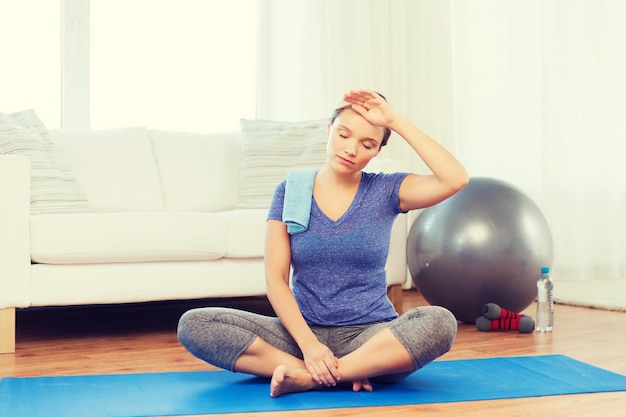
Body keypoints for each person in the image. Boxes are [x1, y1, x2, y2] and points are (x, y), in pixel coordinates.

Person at [177, 89, 469, 397]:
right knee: (195, 324)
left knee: (440, 322)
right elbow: (276, 281)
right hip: (300, 334)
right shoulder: (291, 191)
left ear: (376, 152)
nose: (351, 149)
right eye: (343, 134)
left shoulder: (387, 190)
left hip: (370, 337)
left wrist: (394, 120)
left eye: (367, 144)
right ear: (329, 130)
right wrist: (310, 346)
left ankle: (313, 378)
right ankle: (338, 371)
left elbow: (455, 178)